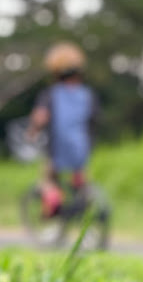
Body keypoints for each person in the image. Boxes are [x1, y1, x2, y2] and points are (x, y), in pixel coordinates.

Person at [26, 42, 98, 217]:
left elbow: (40, 117)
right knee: (80, 173)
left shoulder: (51, 94)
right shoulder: (87, 95)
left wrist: (32, 132)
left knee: (48, 178)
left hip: (58, 146)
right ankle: (84, 198)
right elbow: (93, 120)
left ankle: (53, 203)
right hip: (81, 145)